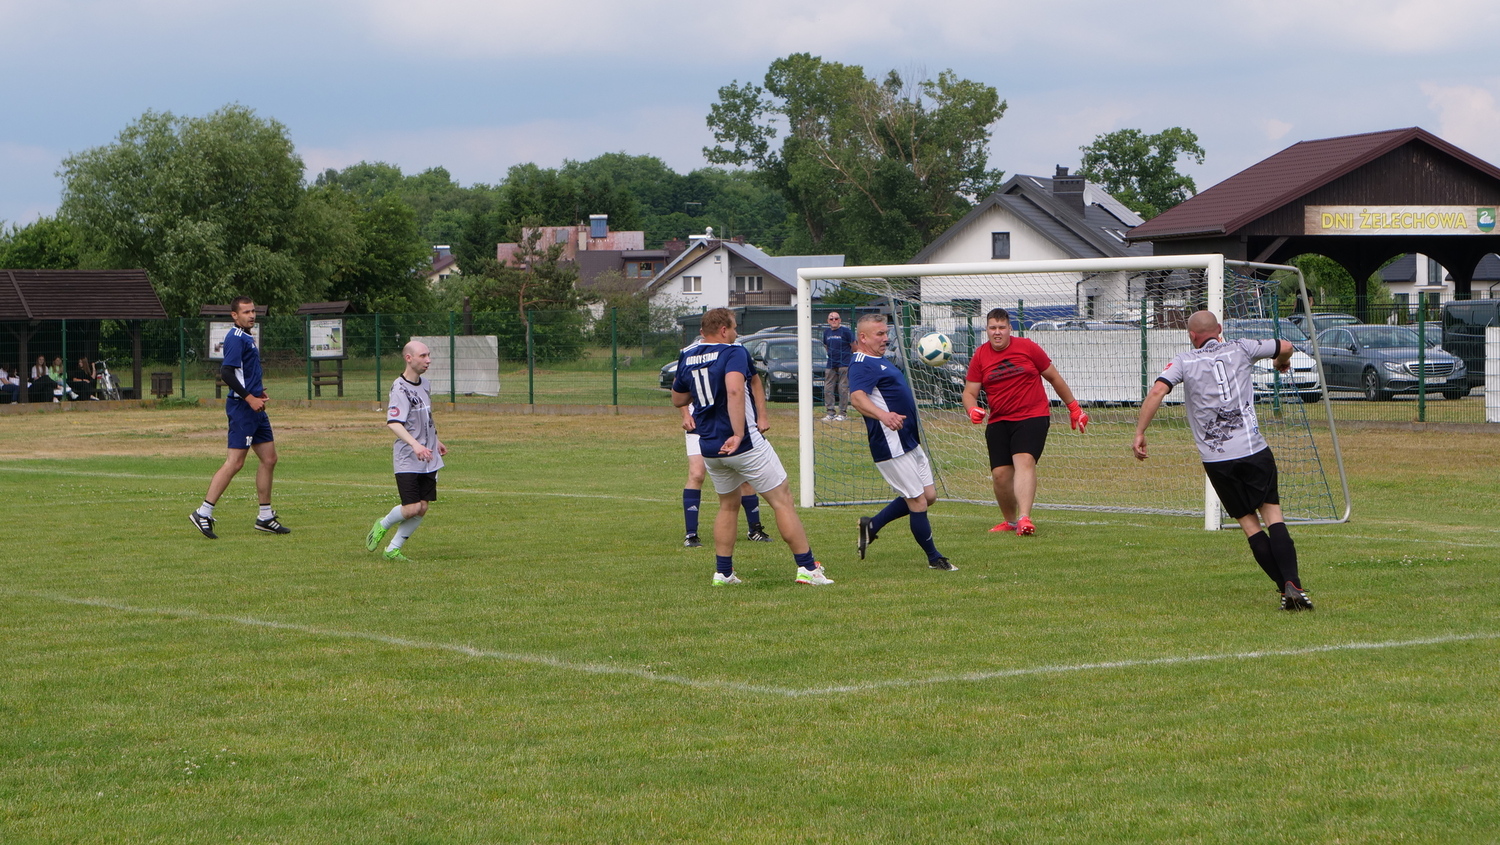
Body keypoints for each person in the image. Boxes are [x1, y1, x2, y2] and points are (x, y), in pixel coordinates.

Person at [1132, 310, 1314, 611]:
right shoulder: (1242, 347)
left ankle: (1286, 588)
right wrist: (1280, 362)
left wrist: (1140, 432)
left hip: (1217, 461)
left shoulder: (1184, 361)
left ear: (1192, 336)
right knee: (1273, 517)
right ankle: (1293, 584)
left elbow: (1157, 391)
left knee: (1251, 527)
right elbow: (1286, 346)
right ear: (1220, 329)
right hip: (1254, 451)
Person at [671, 307, 833, 586]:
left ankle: (723, 573)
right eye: (734, 328)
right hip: (742, 443)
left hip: (709, 445)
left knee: (727, 506)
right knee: (782, 500)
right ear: (724, 330)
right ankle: (808, 568)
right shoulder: (733, 352)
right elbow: (735, 389)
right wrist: (737, 433)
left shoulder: (688, 355)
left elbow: (677, 398)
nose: (736, 333)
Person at [961, 307, 1088, 536]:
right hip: (999, 419)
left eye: (1001, 327)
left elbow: (1054, 377)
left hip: (1032, 415)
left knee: (1024, 460)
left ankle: (1024, 518)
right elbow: (969, 392)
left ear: (1010, 328)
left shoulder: (1028, 347)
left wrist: (1074, 408)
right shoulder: (980, 355)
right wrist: (972, 409)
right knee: (1000, 476)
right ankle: (1010, 521)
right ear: (986, 330)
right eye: (992, 328)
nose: (997, 332)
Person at [848, 314, 955, 571]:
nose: (886, 338)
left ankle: (871, 526)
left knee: (928, 496)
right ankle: (934, 558)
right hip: (891, 444)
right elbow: (857, 397)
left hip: (908, 440)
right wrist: (884, 416)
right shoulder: (861, 362)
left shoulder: (879, 360)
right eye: (879, 334)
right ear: (863, 337)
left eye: (886, 333)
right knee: (917, 501)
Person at [189, 296, 290, 539]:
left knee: (269, 458)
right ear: (234, 315)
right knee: (235, 462)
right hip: (243, 408)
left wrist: (257, 392)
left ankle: (265, 517)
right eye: (246, 312)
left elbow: (244, 373)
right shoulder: (235, 337)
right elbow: (226, 372)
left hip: (255, 408)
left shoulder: (246, 337)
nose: (251, 315)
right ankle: (203, 512)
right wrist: (249, 397)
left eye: (253, 311)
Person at [365, 340, 447, 562]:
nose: (428, 360)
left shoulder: (425, 384)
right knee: (411, 508)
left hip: (429, 456)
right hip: (408, 458)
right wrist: (415, 444)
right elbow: (394, 423)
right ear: (408, 358)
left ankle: (393, 549)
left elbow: (425, 418)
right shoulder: (400, 388)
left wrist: (436, 441)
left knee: (422, 507)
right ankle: (383, 524)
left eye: (428, 355)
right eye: (423, 356)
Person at [821, 311, 855, 421]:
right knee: (828, 387)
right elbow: (826, 346)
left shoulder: (846, 331)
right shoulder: (826, 332)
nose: (834, 321)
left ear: (840, 320)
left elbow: (853, 345)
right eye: (831, 319)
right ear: (828, 321)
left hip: (844, 363)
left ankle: (842, 413)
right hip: (831, 363)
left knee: (843, 388)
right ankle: (830, 412)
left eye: (836, 318)